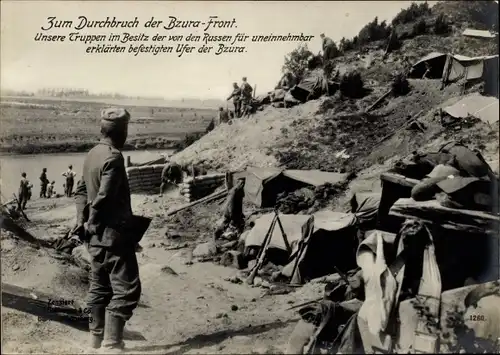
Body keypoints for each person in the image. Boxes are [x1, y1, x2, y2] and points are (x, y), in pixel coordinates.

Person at [74, 107, 141, 351]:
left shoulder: (92, 154)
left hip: (95, 238)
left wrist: (82, 221)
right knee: (127, 290)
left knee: (98, 289)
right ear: (121, 131)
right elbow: (104, 197)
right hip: (113, 236)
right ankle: (112, 344)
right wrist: (93, 220)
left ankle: (94, 338)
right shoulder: (114, 157)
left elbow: (81, 191)